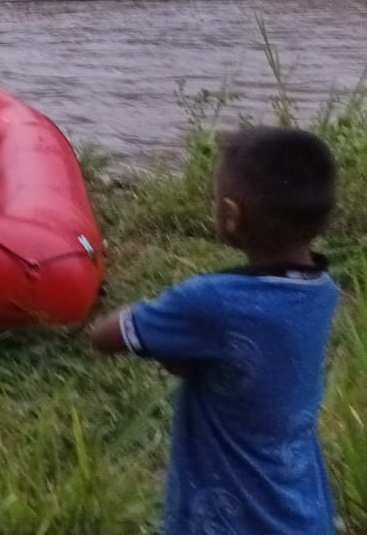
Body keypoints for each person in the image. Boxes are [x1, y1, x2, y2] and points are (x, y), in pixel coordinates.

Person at [89, 127, 340, 535]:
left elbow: (105, 335)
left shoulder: (210, 300)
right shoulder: (321, 290)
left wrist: (147, 312)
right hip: (302, 512)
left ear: (230, 214)